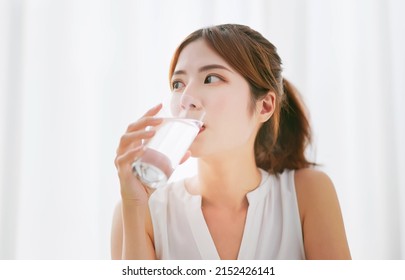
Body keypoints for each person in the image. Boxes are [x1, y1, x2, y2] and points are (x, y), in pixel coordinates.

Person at [112, 24, 351, 260]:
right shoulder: (139, 210)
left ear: (265, 106)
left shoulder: (306, 194)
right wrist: (134, 207)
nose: (186, 99)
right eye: (178, 84)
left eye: (211, 78)